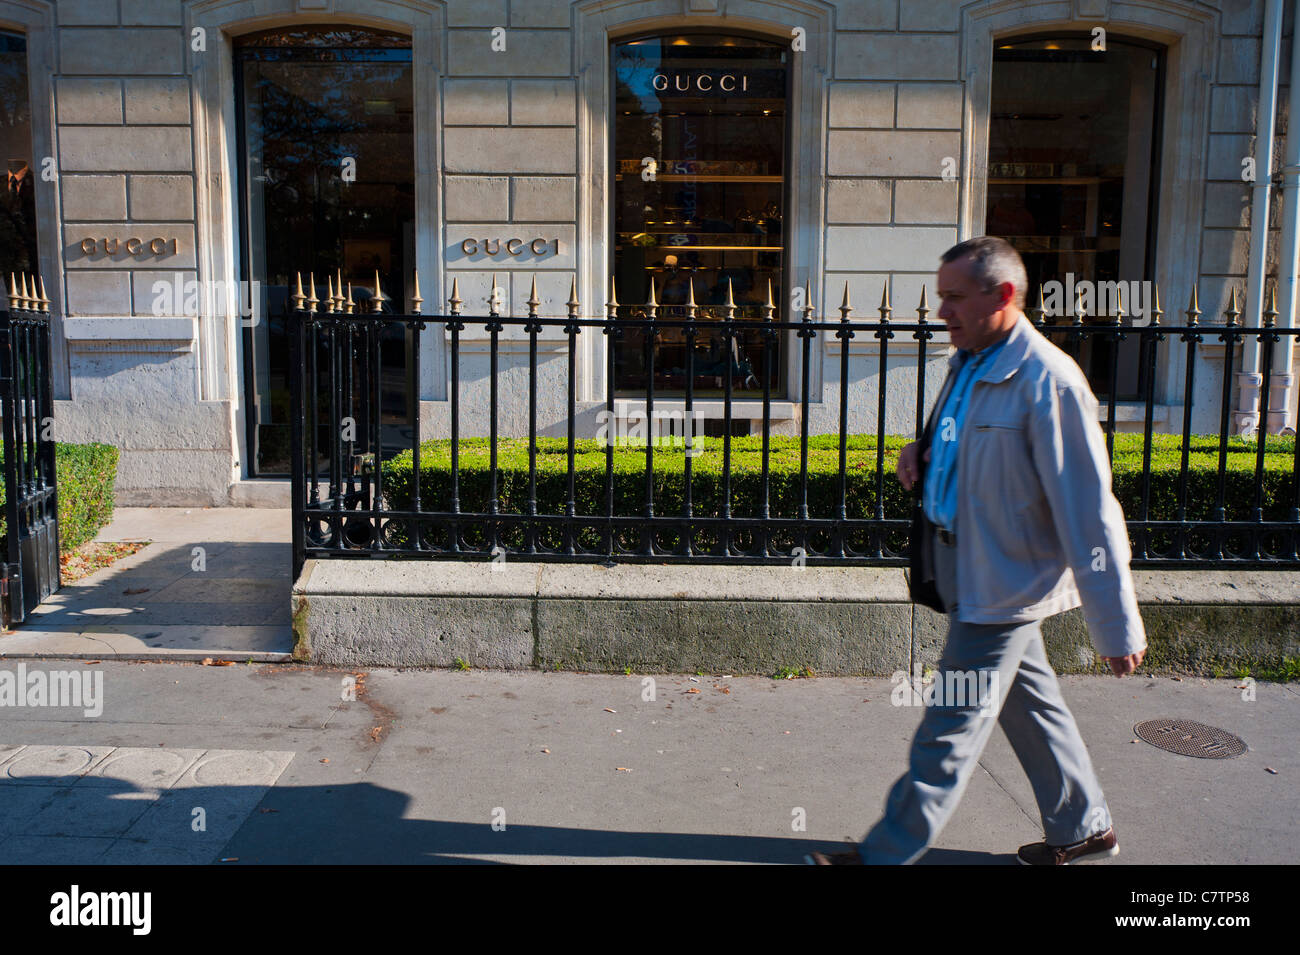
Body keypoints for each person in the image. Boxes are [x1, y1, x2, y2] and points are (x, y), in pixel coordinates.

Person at [808, 236, 1147, 866]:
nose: (943, 311)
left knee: (947, 734)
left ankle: (883, 855)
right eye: (942, 297)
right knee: (1030, 704)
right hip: (968, 566)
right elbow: (965, 437)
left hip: (1006, 584)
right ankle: (1085, 829)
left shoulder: (1048, 381)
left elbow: (1090, 512)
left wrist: (1117, 624)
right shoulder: (970, 360)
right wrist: (924, 452)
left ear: (1005, 295)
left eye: (956, 298)